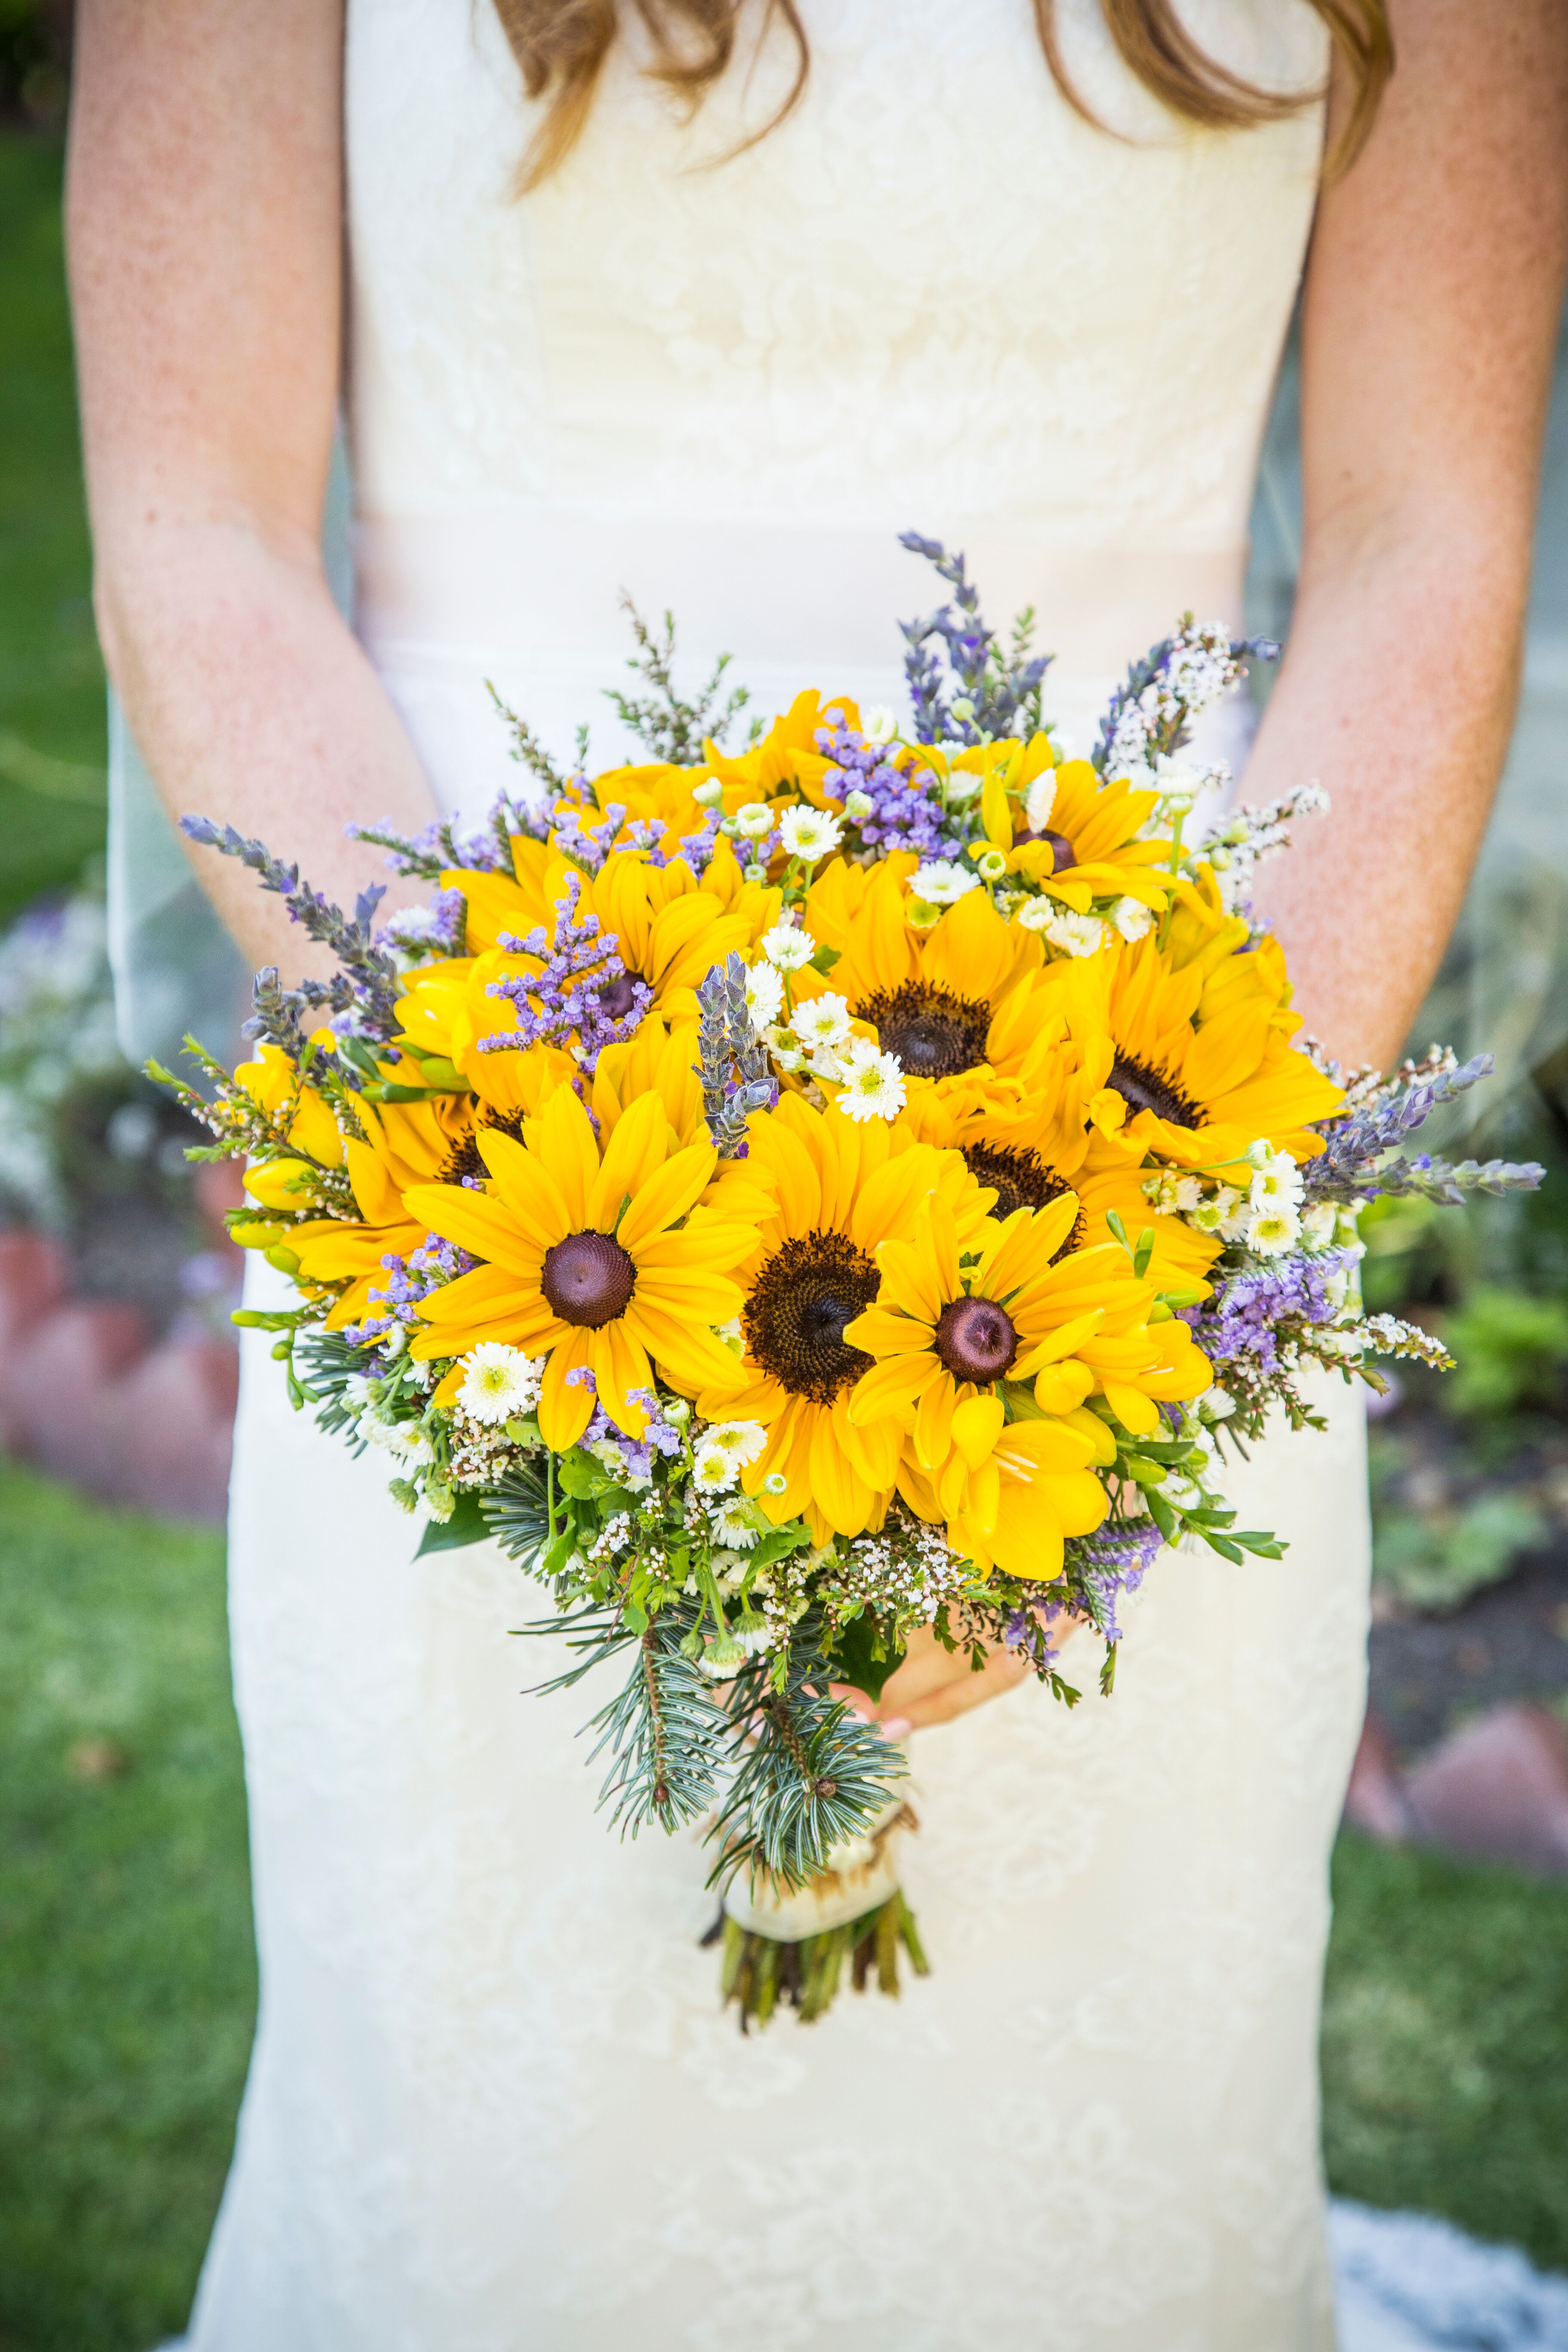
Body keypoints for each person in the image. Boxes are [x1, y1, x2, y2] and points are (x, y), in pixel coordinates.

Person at [68, 3, 1568, 2345]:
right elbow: (198, 519)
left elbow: (1424, 542)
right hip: (489, 1224)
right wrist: (512, 1163)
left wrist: (1143, 1301)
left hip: (1134, 1190)